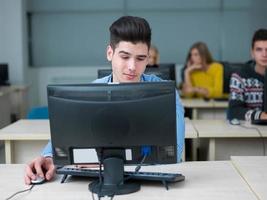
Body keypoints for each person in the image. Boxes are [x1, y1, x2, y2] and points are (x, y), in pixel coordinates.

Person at [24, 16, 185, 185]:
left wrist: (105, 161)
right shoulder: (92, 92)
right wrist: (49, 159)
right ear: (110, 53)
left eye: (140, 58)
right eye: (125, 56)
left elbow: (173, 151)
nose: (132, 67)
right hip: (101, 182)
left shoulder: (165, 94)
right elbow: (63, 141)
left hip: (151, 185)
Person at [228, 29, 267, 121]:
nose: (264, 54)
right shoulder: (239, 77)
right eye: (259, 50)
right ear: (252, 53)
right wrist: (261, 115)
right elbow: (234, 111)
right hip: (249, 131)